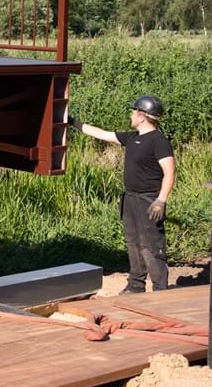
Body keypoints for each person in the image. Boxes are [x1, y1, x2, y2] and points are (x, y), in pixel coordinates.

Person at [70, 95, 175, 293]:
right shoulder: (132, 137)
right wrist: (73, 122)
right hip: (130, 199)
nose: (131, 114)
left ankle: (161, 290)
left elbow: (170, 172)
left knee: (151, 246)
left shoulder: (158, 141)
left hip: (149, 200)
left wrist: (161, 200)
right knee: (133, 242)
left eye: (134, 111)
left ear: (142, 116)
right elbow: (101, 134)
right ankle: (136, 286)